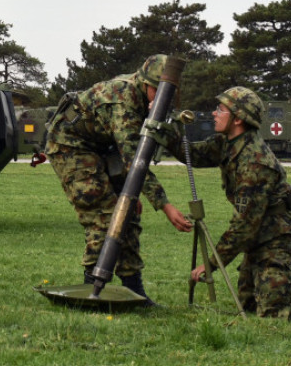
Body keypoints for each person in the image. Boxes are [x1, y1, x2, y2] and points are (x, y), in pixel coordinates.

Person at [45, 54, 192, 304]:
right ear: (145, 84)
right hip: (71, 145)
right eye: (157, 91)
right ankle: (90, 290)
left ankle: (135, 292)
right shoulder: (122, 100)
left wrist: (129, 191)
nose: (162, 99)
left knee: (129, 215)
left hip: (105, 148)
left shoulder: (145, 101)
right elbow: (135, 157)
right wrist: (165, 205)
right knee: (104, 215)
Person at [166, 87, 291, 319]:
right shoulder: (228, 142)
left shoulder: (255, 161)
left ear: (237, 119)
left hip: (275, 238)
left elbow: (244, 225)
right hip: (256, 236)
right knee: (248, 304)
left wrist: (212, 263)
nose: (215, 114)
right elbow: (192, 154)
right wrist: (166, 126)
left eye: (221, 110)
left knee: (273, 312)